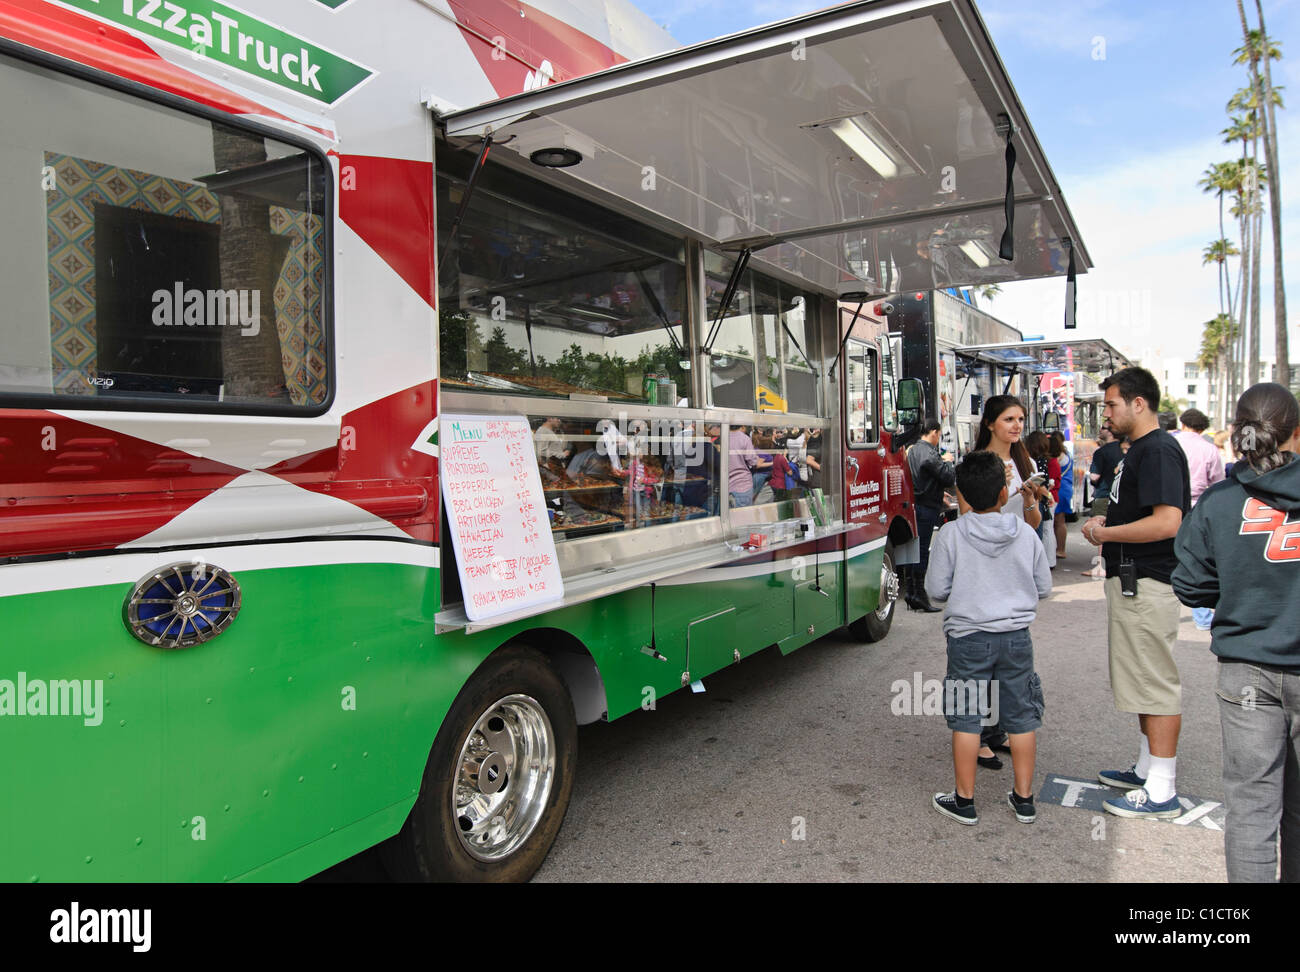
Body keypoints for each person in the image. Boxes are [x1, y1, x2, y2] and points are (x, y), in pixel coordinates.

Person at [1171, 383, 1300, 882]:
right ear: (1294, 431)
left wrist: (1236, 590)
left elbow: (1189, 582)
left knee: (1251, 810)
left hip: (1247, 674)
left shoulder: (1222, 501)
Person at [1082, 366, 1191, 819]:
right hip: (1133, 581)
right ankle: (1148, 769)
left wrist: (1107, 535)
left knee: (1155, 683)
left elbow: (1168, 521)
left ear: (1138, 403)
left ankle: (1162, 789)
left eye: (1111, 404)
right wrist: (1111, 526)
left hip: (1146, 581)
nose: (1106, 413)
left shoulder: (1160, 449)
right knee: (1142, 682)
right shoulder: (1142, 449)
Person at [927, 451, 1052, 825]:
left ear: (962, 493)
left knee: (966, 717)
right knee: (1021, 717)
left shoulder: (951, 534)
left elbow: (935, 590)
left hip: (968, 639)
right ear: (1003, 494)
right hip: (1016, 638)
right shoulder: (1026, 534)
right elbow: (1043, 587)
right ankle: (1024, 799)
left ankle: (964, 802)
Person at [964, 396, 1050, 765]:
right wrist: (1002, 499)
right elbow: (967, 518)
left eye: (1020, 419)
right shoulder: (975, 465)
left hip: (1013, 568)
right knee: (980, 653)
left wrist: (1029, 498)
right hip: (982, 566)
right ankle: (979, 733)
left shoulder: (1023, 461)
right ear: (989, 423)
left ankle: (997, 729)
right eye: (1008, 419)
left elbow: (1033, 524)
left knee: (1009, 655)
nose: (1016, 426)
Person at [1171, 408, 1225, 630]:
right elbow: (1218, 482)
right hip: (1198, 507)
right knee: (1196, 561)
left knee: (1167, 558)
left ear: (1183, 424)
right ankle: (1202, 618)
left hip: (1168, 506)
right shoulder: (1209, 449)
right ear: (1203, 429)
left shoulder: (1171, 443)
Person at [905, 419, 955, 612]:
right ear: (933, 432)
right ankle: (919, 595)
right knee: (922, 551)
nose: (939, 439)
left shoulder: (913, 450)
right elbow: (948, 477)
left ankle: (911, 593)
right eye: (939, 434)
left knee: (913, 550)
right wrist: (948, 462)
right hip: (926, 507)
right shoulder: (929, 453)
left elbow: (921, 478)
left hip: (915, 505)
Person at [1024, 431, 1058, 568]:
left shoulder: (1027, 460)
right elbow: (1040, 485)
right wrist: (1049, 496)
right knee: (1040, 533)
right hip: (1037, 502)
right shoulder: (1042, 460)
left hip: (1031, 502)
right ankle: (1040, 565)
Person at [1050, 432, 1073, 560]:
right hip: (1065, 488)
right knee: (1060, 520)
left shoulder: (1058, 457)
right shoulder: (1066, 454)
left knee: (1058, 520)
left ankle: (1060, 549)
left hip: (1060, 489)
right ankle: (1060, 548)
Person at [728, 424, 760, 508]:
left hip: (725, 486)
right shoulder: (745, 439)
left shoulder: (721, 437)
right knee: (743, 518)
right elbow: (752, 462)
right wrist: (756, 458)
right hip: (742, 485)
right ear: (742, 426)